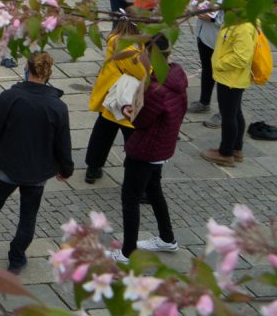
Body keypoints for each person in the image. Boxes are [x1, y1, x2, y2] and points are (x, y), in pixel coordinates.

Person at [0, 52, 73, 271]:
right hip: (37, 172)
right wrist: (66, 169)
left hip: (7, 166)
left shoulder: (9, 98)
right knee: (28, 216)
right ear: (49, 73)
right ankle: (16, 257)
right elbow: (63, 143)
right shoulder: (57, 107)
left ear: (27, 70)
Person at [117, 35, 187, 259]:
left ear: (150, 55)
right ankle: (167, 238)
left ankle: (128, 253)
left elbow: (139, 121)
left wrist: (128, 110)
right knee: (154, 190)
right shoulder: (176, 77)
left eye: (143, 53)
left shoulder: (156, 88)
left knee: (130, 199)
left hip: (147, 150)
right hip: (162, 147)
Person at [81, 17, 147, 182]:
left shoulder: (115, 40)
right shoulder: (128, 48)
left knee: (102, 134)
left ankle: (93, 167)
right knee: (132, 137)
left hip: (110, 95)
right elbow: (143, 72)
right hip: (124, 98)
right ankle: (134, 176)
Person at [203, 17, 263, 167]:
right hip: (231, 77)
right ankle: (236, 149)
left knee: (229, 115)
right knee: (235, 112)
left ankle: (226, 153)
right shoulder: (237, 21)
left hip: (231, 79)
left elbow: (241, 56)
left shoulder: (243, 26)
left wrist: (219, 64)